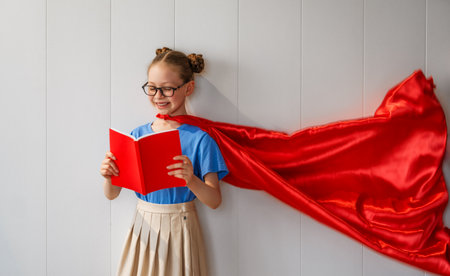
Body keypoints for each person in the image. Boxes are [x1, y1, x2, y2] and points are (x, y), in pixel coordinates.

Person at [99, 47, 229, 276]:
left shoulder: (200, 139)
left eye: (167, 89)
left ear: (188, 87)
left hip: (181, 226)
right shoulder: (136, 135)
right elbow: (112, 194)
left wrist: (191, 180)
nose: (158, 96)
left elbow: (215, 200)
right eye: (152, 88)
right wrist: (109, 176)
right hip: (143, 227)